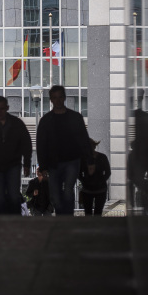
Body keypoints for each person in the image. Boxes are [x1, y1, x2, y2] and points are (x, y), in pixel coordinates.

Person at [36, 85, 92, 215]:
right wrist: (43, 166)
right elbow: (41, 144)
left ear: (64, 98)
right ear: (51, 99)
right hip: (54, 163)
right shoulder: (46, 121)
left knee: (67, 190)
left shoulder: (75, 117)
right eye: (55, 98)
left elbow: (84, 139)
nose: (58, 100)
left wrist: (89, 161)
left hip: (72, 160)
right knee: (55, 195)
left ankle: (67, 218)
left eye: (60, 97)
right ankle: (63, 216)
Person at [127, 91, 148, 209]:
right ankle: (139, 202)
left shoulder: (144, 118)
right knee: (132, 180)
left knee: (132, 180)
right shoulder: (147, 118)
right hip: (142, 158)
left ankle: (138, 203)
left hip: (142, 158)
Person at [79, 139, 111, 216]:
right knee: (94, 213)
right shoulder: (101, 157)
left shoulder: (84, 159)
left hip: (95, 188)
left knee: (92, 212)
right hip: (94, 188)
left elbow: (79, 173)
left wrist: (84, 181)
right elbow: (107, 172)